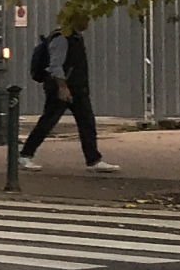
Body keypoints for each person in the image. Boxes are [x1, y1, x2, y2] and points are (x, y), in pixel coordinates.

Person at [23, 14, 120, 173]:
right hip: (62, 89)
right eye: (85, 19)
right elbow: (55, 65)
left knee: (87, 122)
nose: (88, 22)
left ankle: (93, 159)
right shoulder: (62, 38)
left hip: (77, 88)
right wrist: (62, 86)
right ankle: (25, 155)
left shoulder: (75, 38)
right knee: (48, 122)